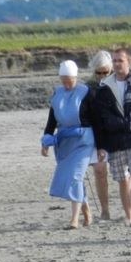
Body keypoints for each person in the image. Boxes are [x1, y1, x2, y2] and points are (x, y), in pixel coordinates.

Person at [90, 47, 131, 226]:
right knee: (123, 179)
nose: (117, 64)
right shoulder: (104, 88)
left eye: (120, 60)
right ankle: (129, 215)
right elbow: (102, 118)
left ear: (129, 62)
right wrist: (102, 144)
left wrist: (129, 124)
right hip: (115, 141)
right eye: (114, 61)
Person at [41, 60, 96, 229]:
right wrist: (46, 140)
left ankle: (74, 220)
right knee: (74, 178)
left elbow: (97, 120)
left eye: (69, 81)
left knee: (75, 176)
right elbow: (52, 120)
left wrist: (101, 145)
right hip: (65, 142)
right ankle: (86, 211)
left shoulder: (86, 93)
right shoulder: (57, 94)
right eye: (63, 80)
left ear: (76, 77)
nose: (66, 84)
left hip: (83, 141)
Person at [86, 51, 113, 220]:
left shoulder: (118, 83)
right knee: (100, 170)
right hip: (96, 135)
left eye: (106, 72)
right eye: (99, 72)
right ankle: (105, 209)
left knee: (126, 173)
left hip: (117, 134)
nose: (102, 76)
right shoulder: (88, 88)